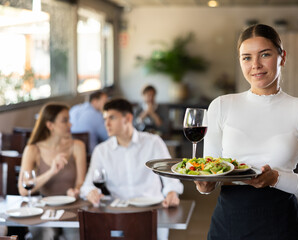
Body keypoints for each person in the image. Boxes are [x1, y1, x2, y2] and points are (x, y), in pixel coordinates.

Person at [195, 24, 298, 239]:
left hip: (281, 223)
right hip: (229, 223)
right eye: (246, 57)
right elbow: (211, 172)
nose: (255, 65)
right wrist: (204, 185)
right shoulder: (220, 106)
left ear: (282, 57)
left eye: (264, 54)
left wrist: (275, 178)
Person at [80, 98, 183, 240]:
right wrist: (92, 192)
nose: (106, 124)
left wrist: (172, 192)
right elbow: (86, 186)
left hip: (153, 213)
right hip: (117, 216)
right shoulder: (101, 150)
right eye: (105, 119)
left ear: (128, 118)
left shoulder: (153, 142)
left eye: (112, 118)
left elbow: (171, 178)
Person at [18, 103, 87, 240]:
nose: (70, 125)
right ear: (50, 125)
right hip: (44, 208)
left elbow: (81, 182)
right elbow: (24, 190)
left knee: (75, 235)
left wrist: (76, 190)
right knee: (45, 234)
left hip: (72, 206)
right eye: (64, 120)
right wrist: (51, 172)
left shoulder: (77, 146)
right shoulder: (32, 149)